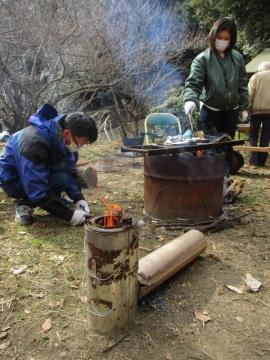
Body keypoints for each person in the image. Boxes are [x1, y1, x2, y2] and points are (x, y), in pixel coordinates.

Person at [0, 104, 98, 225]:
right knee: (44, 187)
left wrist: (79, 199)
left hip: (38, 173)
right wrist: (69, 215)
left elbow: (69, 172)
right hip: (14, 180)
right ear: (67, 134)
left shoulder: (63, 141)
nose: (79, 148)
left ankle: (52, 201)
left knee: (62, 178)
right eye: (80, 144)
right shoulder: (33, 143)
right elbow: (35, 187)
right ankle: (24, 204)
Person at [183, 17, 249, 176]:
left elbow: (242, 84)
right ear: (213, 36)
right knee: (211, 148)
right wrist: (190, 99)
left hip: (231, 111)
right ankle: (210, 180)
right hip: (211, 112)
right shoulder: (202, 59)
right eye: (220, 37)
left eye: (226, 38)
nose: (222, 41)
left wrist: (244, 107)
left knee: (227, 147)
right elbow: (193, 83)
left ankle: (224, 182)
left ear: (231, 40)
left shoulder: (237, 58)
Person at [248, 61, 270, 167]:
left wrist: (247, 109)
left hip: (256, 112)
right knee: (266, 136)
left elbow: (250, 95)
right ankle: (262, 161)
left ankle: (253, 160)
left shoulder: (255, 77)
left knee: (253, 136)